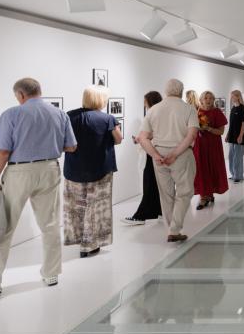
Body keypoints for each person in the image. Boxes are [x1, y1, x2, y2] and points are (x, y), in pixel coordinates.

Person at [0, 77, 77, 297]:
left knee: (4, 227)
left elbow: (2, 152)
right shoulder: (60, 114)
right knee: (50, 224)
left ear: (20, 95)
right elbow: (71, 147)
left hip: (20, 172)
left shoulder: (12, 114)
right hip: (49, 169)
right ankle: (51, 273)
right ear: (40, 91)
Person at [63, 86, 122, 258]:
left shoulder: (70, 115)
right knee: (96, 207)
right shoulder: (107, 118)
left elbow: (62, 140)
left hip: (74, 169)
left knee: (76, 206)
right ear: (101, 99)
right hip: (100, 169)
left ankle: (78, 239)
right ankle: (91, 244)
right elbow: (118, 139)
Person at [139, 78, 199, 243]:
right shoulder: (188, 109)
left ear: (166, 91)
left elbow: (142, 138)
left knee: (166, 195)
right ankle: (174, 229)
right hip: (181, 154)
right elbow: (191, 135)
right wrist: (175, 153)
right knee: (185, 191)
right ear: (181, 91)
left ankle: (172, 228)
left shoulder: (154, 110)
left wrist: (155, 155)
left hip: (159, 156)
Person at [124, 91, 164, 225]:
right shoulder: (161, 113)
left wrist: (140, 139)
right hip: (158, 151)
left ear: (149, 101)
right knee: (157, 184)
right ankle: (160, 211)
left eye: (145, 101)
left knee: (150, 184)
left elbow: (153, 133)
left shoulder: (152, 113)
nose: (144, 104)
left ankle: (141, 216)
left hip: (152, 152)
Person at [194, 90, 229, 208]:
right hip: (200, 145)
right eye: (206, 98)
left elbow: (221, 131)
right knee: (201, 168)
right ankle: (203, 196)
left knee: (212, 168)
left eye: (210, 98)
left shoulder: (217, 112)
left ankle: (209, 193)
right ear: (201, 100)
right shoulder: (196, 112)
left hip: (213, 145)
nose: (208, 100)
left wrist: (208, 129)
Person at [226, 89, 244, 183]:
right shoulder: (233, 108)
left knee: (238, 157)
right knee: (231, 156)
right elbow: (231, 124)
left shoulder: (243, 109)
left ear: (238, 97)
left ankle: (239, 176)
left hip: (239, 137)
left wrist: (240, 136)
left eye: (232, 96)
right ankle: (234, 174)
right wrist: (227, 134)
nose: (231, 98)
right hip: (231, 136)